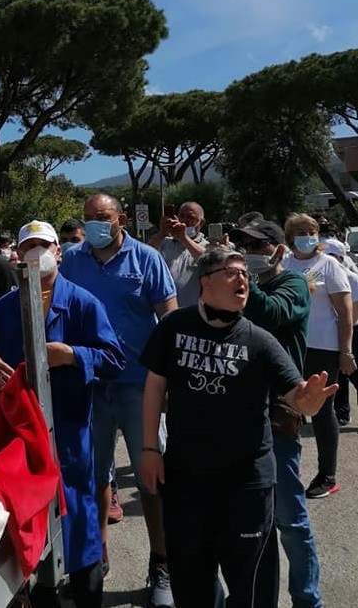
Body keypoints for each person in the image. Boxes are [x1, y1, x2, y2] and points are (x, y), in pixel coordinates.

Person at [140, 248, 338, 608]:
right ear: (205, 282)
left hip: (247, 484)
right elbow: (154, 386)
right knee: (191, 582)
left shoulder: (260, 340)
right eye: (231, 272)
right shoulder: (175, 326)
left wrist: (307, 401)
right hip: (186, 479)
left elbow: (294, 391)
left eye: (245, 273)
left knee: (251, 588)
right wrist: (150, 449)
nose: (243, 279)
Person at [0, 220, 126, 608]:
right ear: (18, 256)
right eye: (29, 247)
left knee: (76, 519)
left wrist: (75, 355)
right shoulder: (4, 306)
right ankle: (39, 594)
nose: (36, 253)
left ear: (59, 252)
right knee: (27, 520)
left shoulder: (82, 303)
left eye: (44, 246)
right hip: (19, 434)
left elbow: (114, 359)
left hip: (70, 432)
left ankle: (87, 592)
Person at [59, 193, 177, 608]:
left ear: (120, 219)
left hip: (138, 386)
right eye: (88, 218)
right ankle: (95, 558)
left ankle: (161, 563)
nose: (93, 224)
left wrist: (168, 383)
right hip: (89, 384)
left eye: (102, 217)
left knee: (151, 477)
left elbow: (170, 319)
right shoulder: (71, 259)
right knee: (92, 478)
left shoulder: (146, 259)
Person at [230, 220, 323, 608]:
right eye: (242, 244)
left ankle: (307, 599)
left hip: (280, 412)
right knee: (249, 523)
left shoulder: (294, 284)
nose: (248, 250)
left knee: (289, 517)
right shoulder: (236, 291)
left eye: (257, 244)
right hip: (239, 411)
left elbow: (272, 313)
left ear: (279, 250)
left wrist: (239, 284)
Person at [284, 213, 356, 498]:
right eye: (300, 231)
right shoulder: (285, 263)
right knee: (290, 408)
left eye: (310, 230)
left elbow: (346, 313)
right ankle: (290, 468)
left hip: (323, 348)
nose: (306, 235)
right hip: (291, 347)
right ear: (290, 237)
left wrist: (346, 351)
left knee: (323, 413)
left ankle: (327, 475)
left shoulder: (329, 266)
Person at [322, 238, 358, 426]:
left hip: (353, 331)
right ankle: (341, 412)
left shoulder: (352, 279)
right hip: (331, 330)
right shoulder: (318, 277)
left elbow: (353, 314)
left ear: (340, 257)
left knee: (353, 372)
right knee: (338, 377)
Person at [149, 201, 208, 308]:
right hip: (165, 311)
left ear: (201, 223)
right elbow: (144, 256)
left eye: (191, 218)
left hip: (194, 312)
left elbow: (208, 260)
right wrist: (161, 233)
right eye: (181, 216)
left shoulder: (207, 246)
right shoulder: (164, 242)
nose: (185, 221)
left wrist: (184, 238)